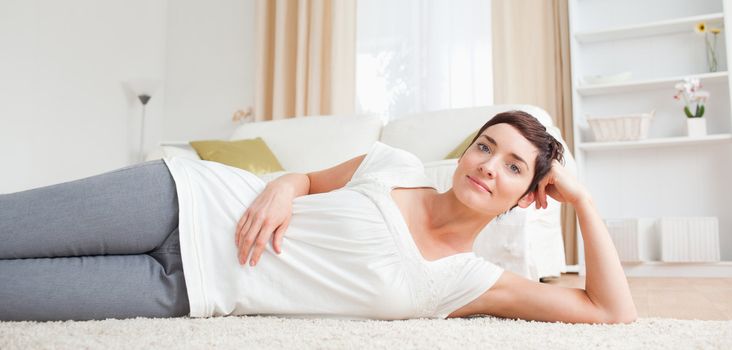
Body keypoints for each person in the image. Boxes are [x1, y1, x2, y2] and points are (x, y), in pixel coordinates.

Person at [0, 110, 637, 324]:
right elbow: (307, 179)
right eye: (485, 146)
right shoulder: (395, 162)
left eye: (514, 167)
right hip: (179, 198)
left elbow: (612, 313)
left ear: (529, 195)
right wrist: (283, 184)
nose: (488, 167)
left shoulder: (470, 282)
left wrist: (585, 202)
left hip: (184, 292)